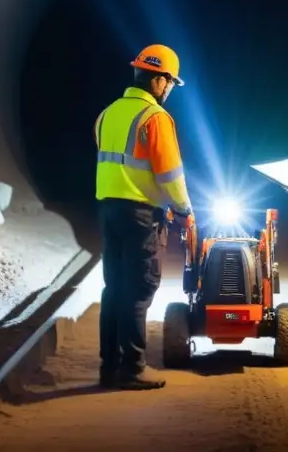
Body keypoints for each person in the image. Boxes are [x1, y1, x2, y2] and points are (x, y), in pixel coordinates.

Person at [94, 44, 194, 390]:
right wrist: (184, 210)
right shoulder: (155, 118)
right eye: (170, 83)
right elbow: (170, 174)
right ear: (159, 80)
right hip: (141, 215)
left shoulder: (108, 113)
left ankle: (109, 367)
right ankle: (134, 369)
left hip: (109, 210)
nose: (169, 90)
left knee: (114, 289)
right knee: (138, 290)